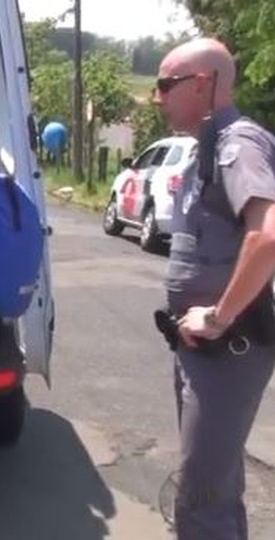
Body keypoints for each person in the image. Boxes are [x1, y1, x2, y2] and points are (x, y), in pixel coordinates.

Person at [154, 37, 275, 539]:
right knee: (213, 487)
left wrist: (220, 316)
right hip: (203, 351)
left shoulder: (237, 143)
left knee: (202, 496)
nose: (157, 97)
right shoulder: (208, 144)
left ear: (202, 85)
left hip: (229, 347)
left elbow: (268, 232)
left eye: (165, 85)